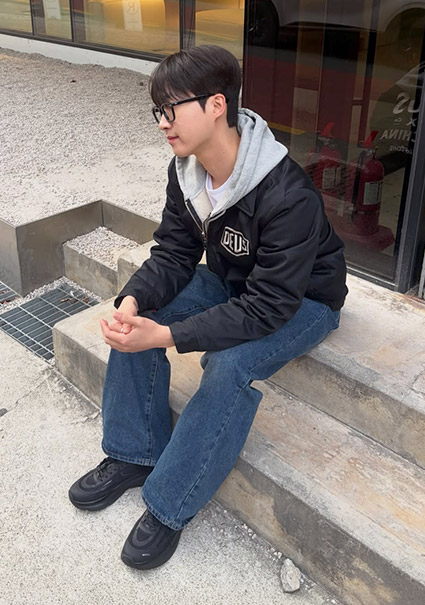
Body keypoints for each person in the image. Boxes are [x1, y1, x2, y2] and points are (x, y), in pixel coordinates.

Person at [69, 44, 348, 570]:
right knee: (139, 316)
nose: (162, 123)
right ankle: (133, 452)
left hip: (303, 301)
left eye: (171, 109)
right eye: (158, 111)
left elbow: (268, 307)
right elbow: (174, 252)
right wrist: (133, 299)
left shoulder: (287, 193)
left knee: (229, 364)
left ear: (216, 105)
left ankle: (170, 505)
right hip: (234, 283)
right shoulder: (187, 172)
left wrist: (168, 337)